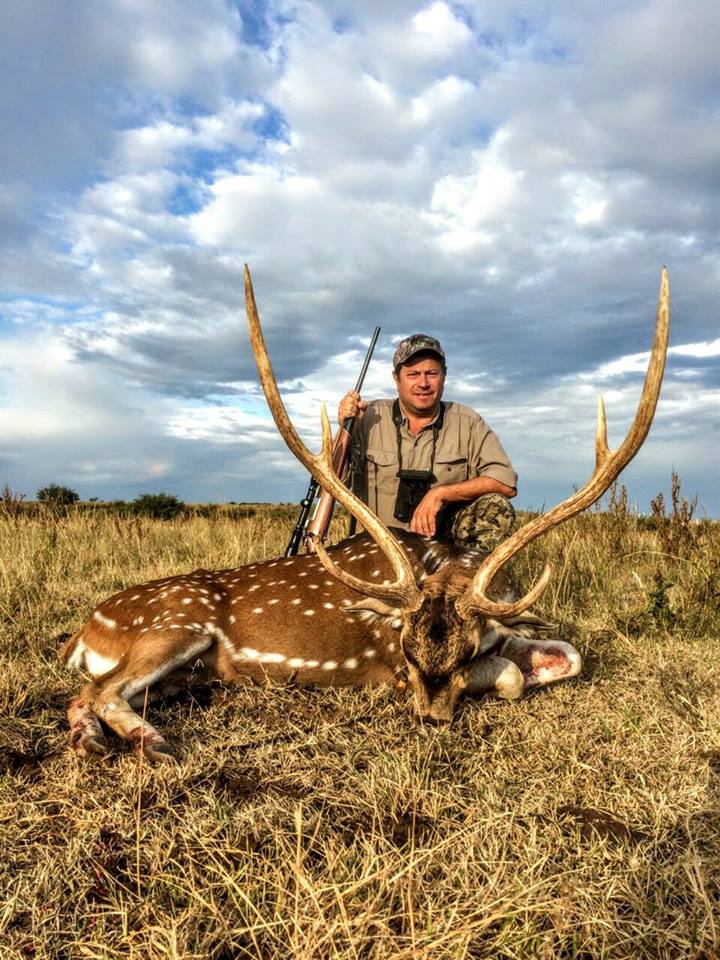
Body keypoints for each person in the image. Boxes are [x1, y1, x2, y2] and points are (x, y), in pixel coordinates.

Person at [338, 334, 518, 551]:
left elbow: (505, 483)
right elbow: (332, 479)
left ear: (444, 376)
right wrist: (344, 430)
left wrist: (440, 494)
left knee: (496, 507)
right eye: (413, 374)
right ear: (396, 378)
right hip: (377, 548)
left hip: (443, 553)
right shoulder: (368, 417)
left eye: (431, 374)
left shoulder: (467, 422)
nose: (423, 383)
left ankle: (471, 582)